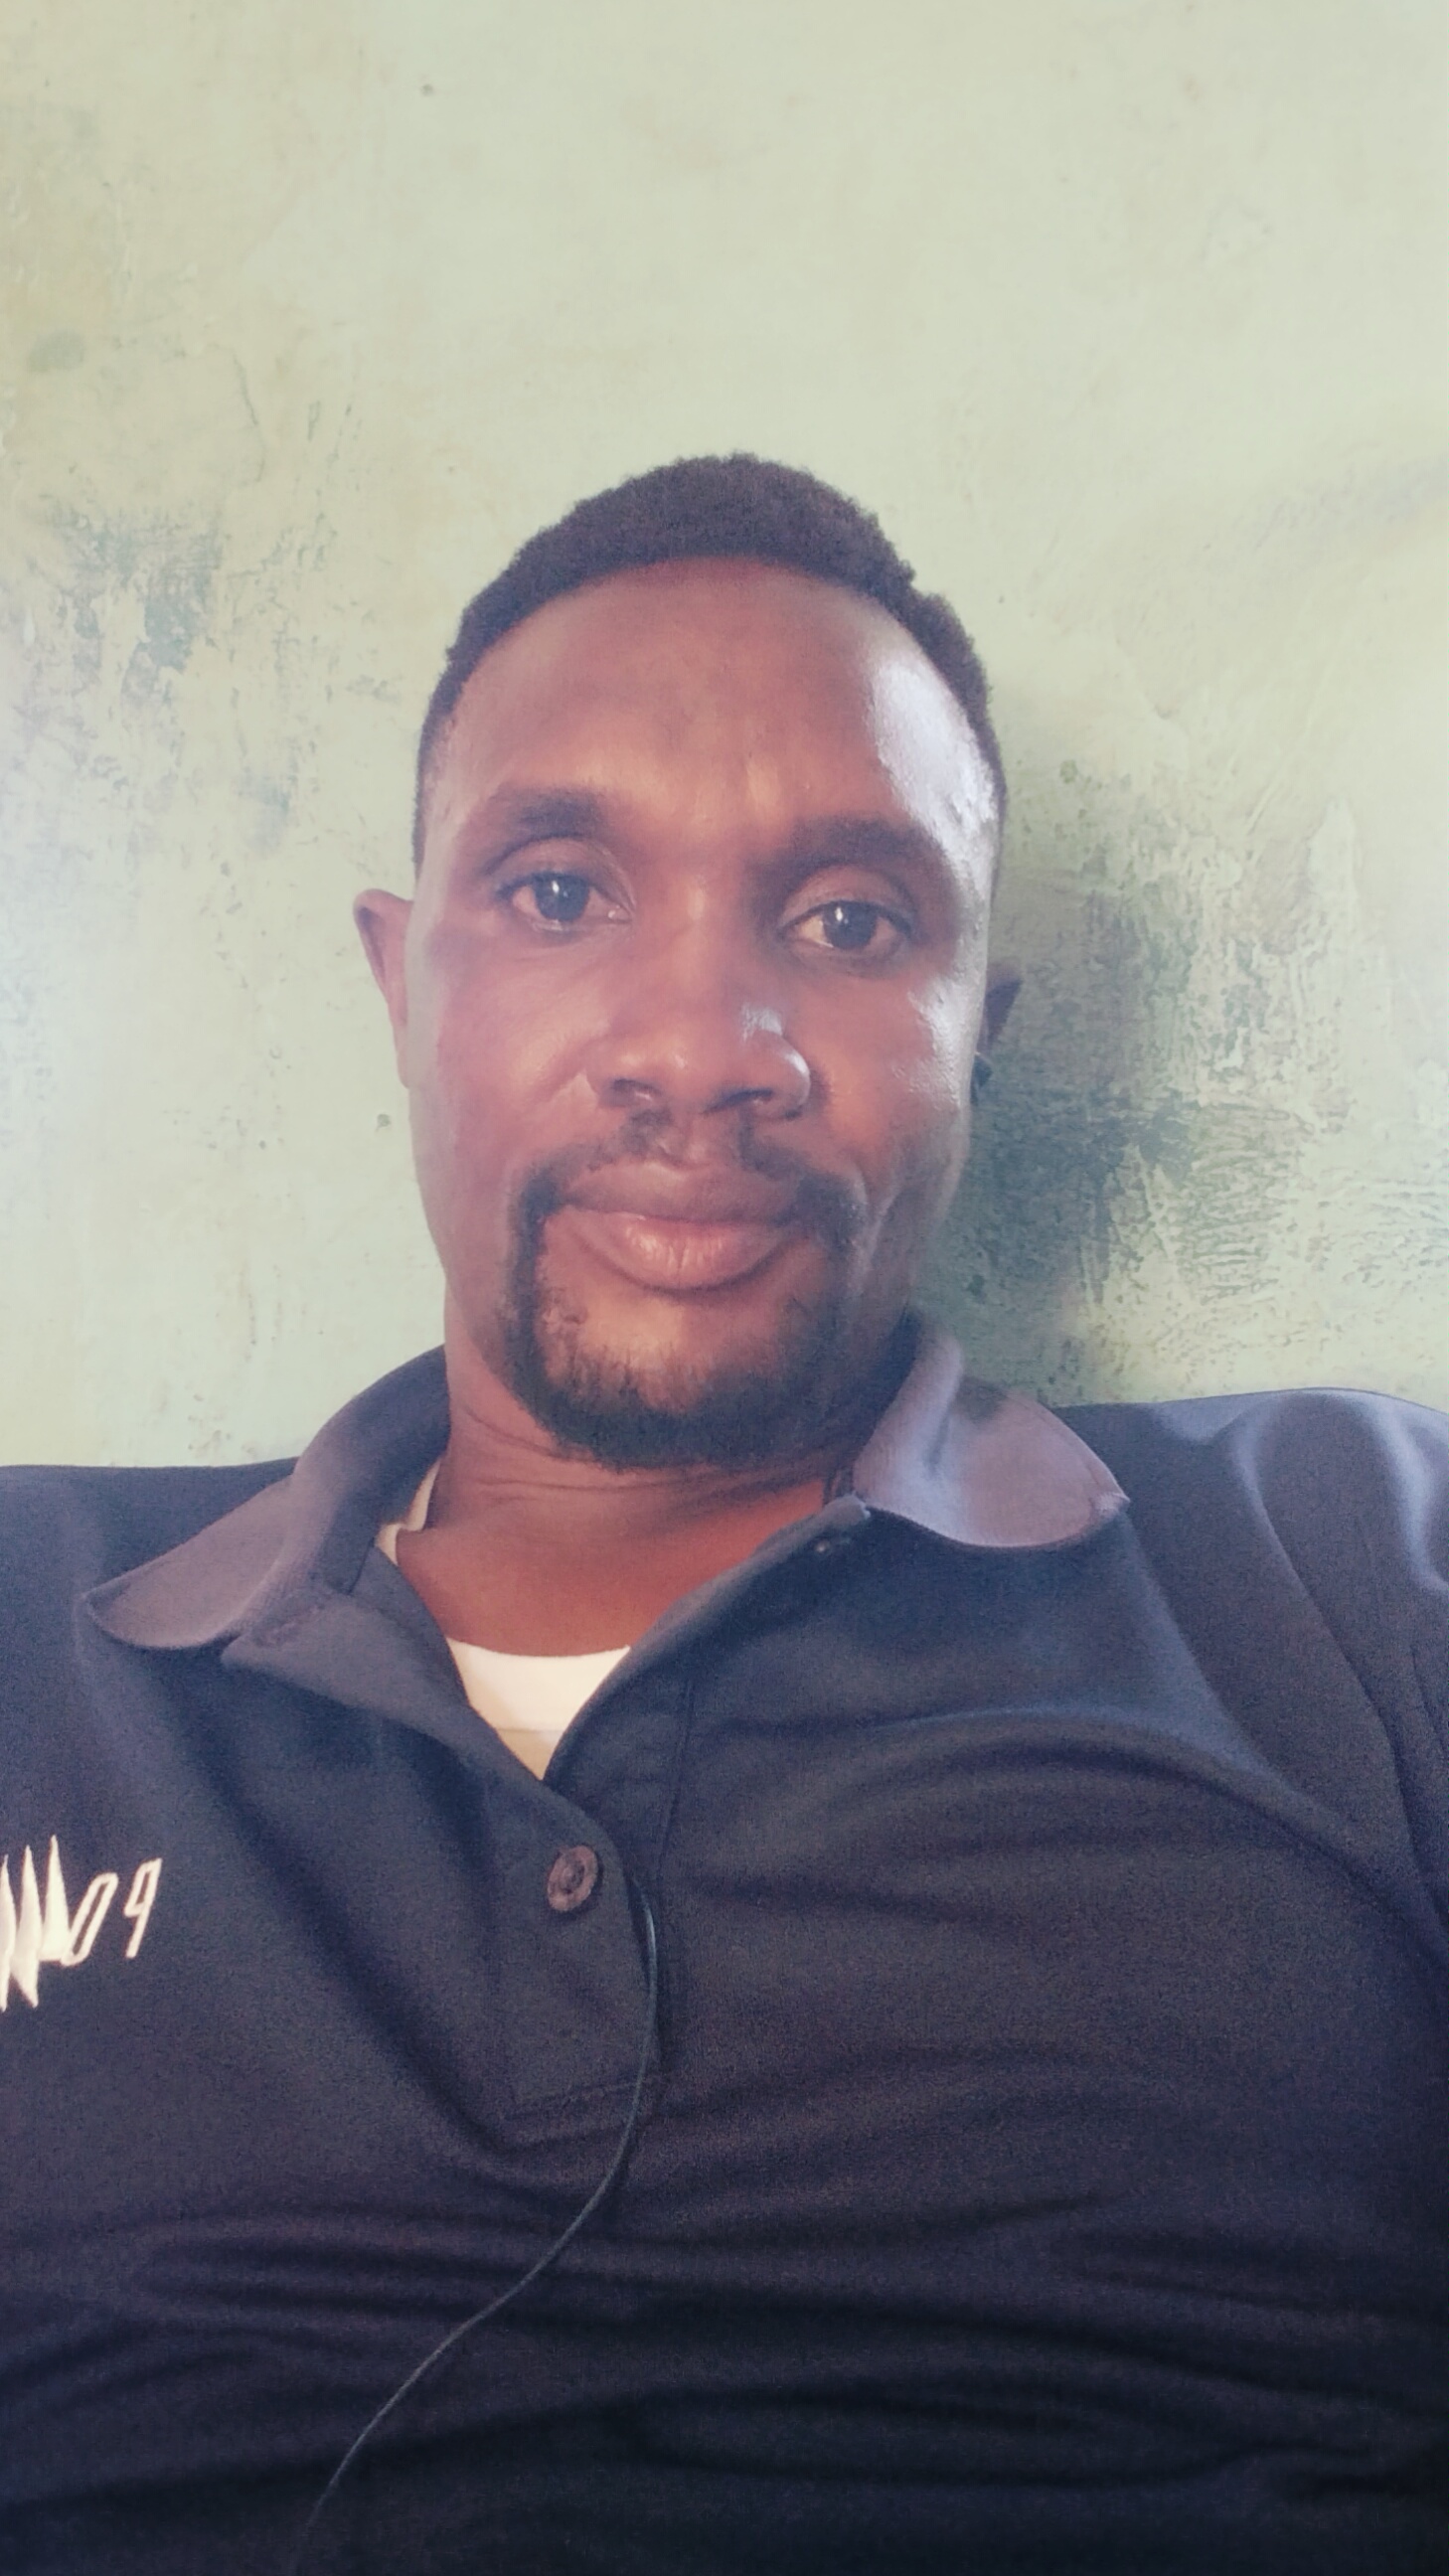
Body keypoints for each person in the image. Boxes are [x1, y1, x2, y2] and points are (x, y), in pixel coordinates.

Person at [1, 456, 1445, 2576]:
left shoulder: (1356, 1562)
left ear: (976, 1041)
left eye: (851, 921)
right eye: (559, 892)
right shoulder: (30, 1627)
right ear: (402, 984)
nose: (699, 1050)